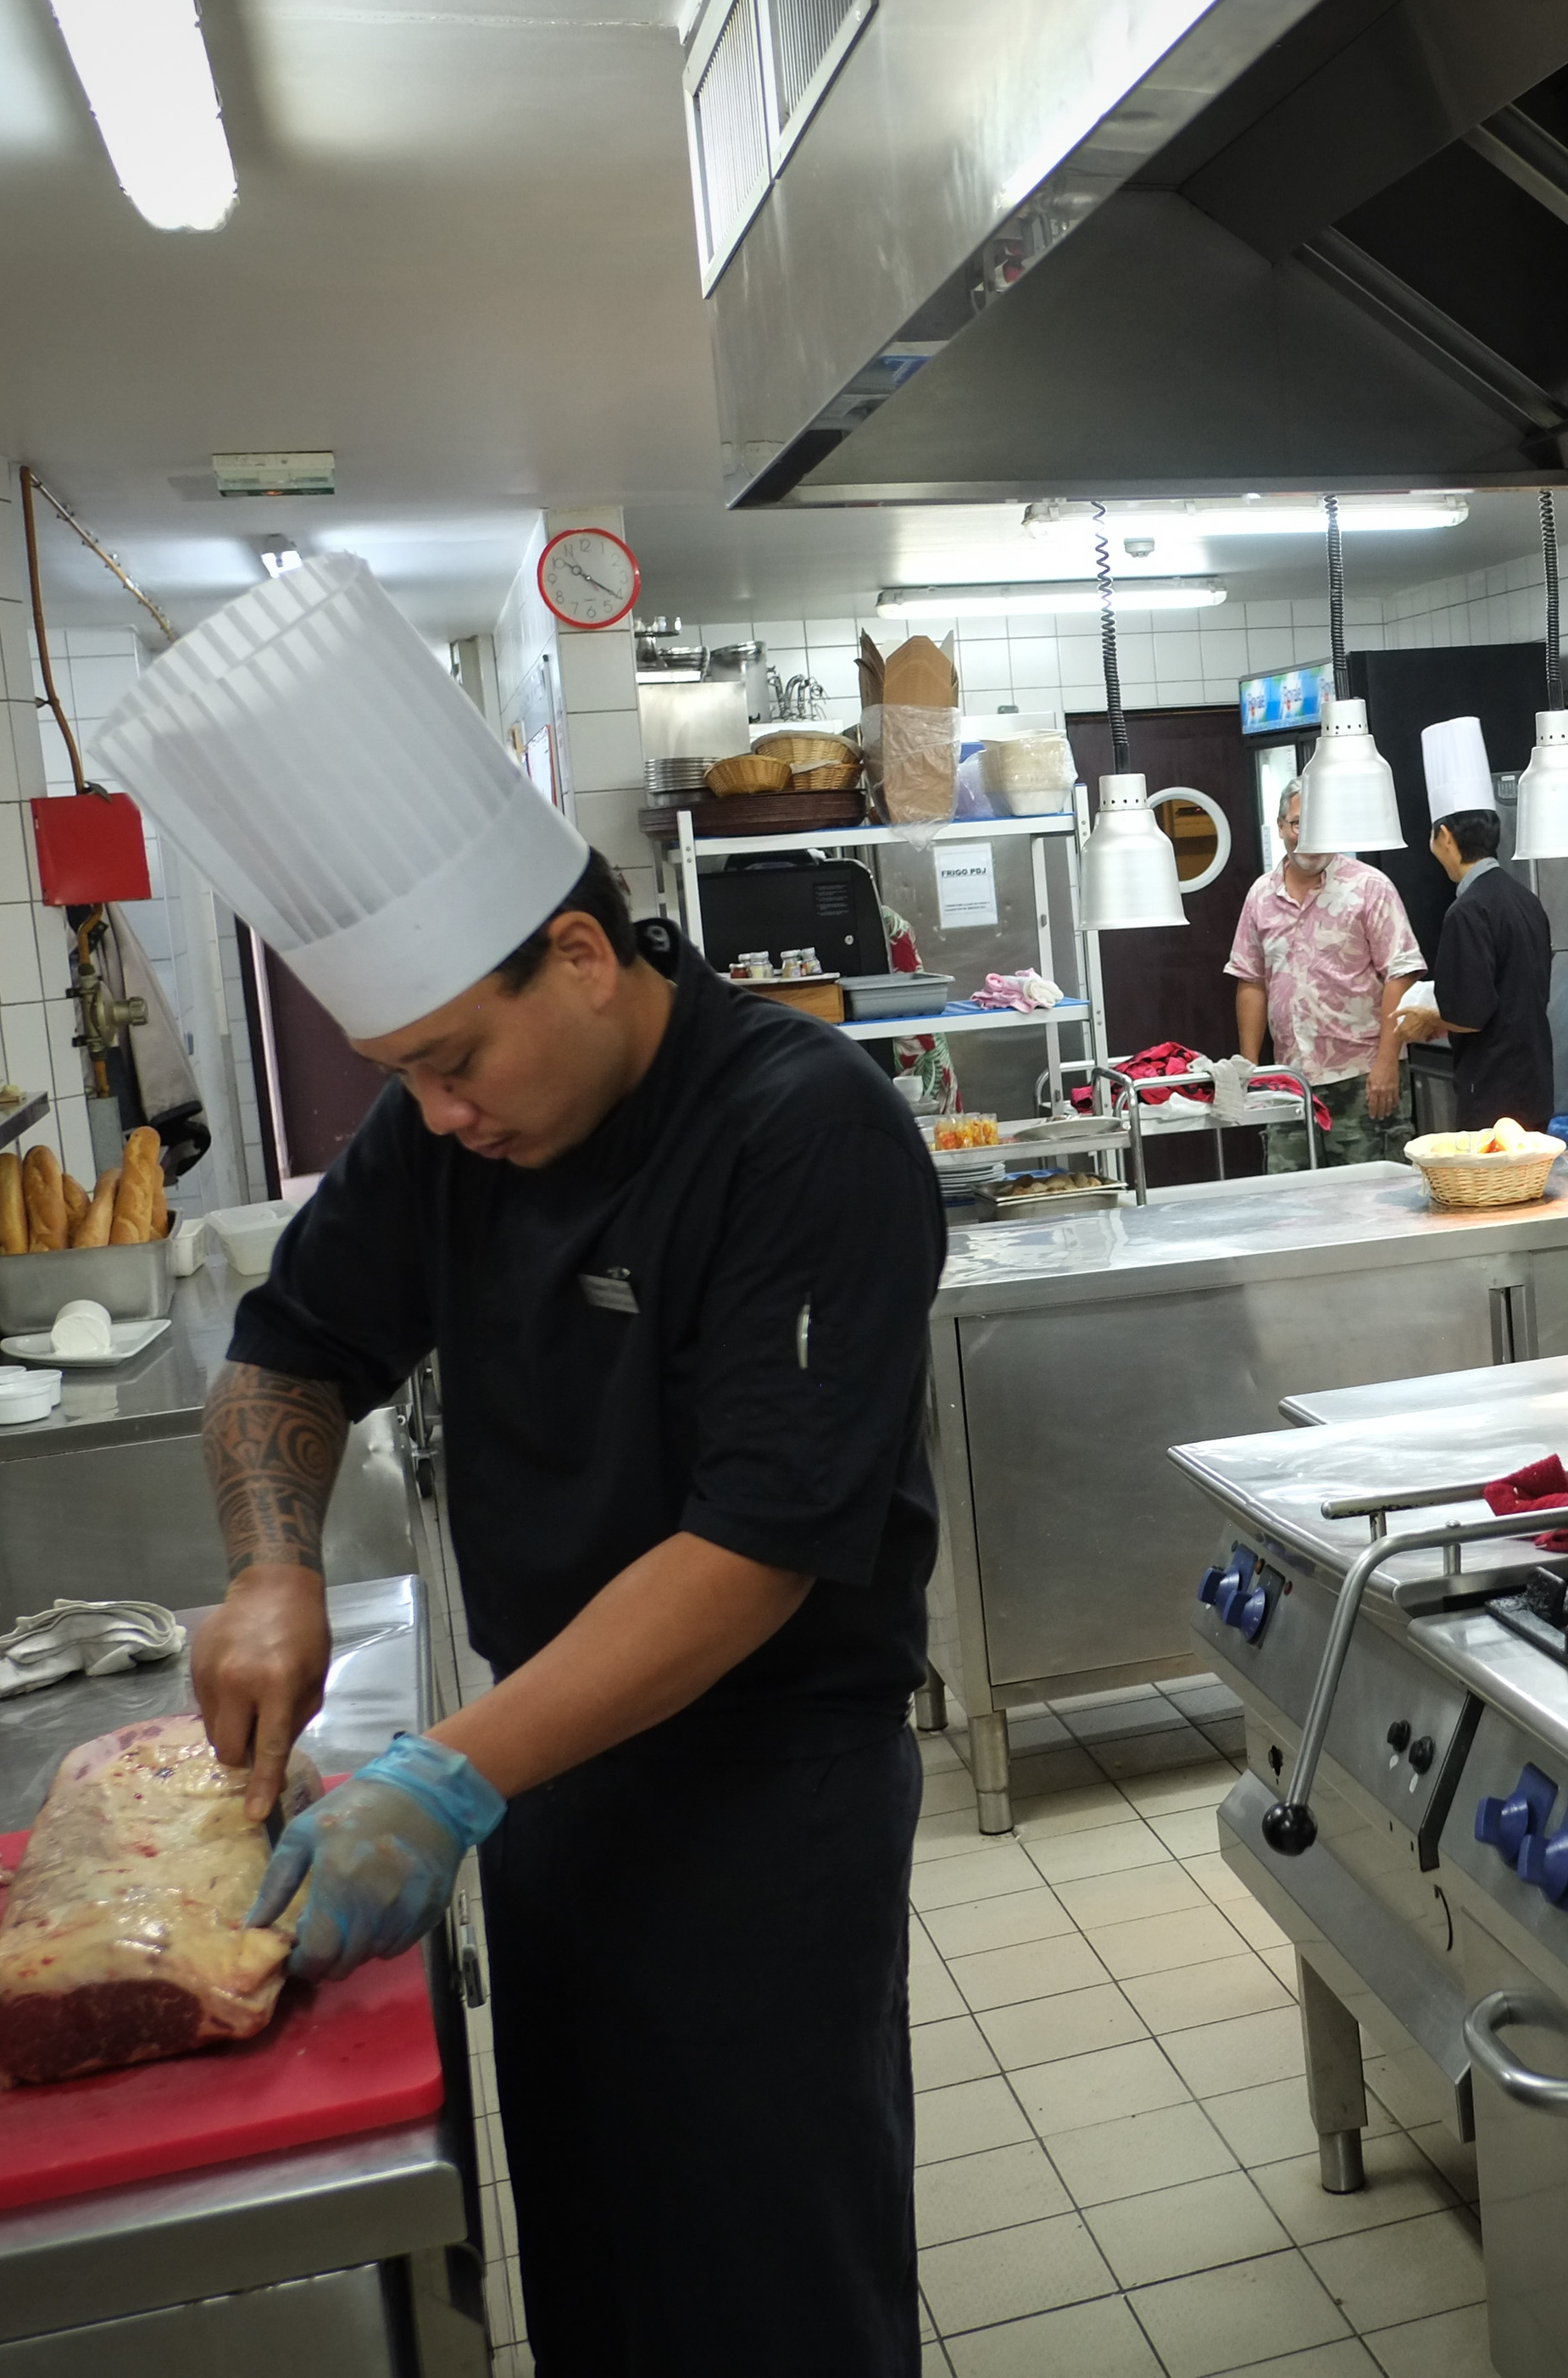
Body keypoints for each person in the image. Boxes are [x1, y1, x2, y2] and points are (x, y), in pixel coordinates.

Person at [102, 556, 938, 2377]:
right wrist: (270, 1567)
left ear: (578, 954)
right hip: (545, 1764)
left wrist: (445, 1780)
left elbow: (756, 1546)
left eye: (454, 1058)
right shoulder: (447, 1136)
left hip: (760, 1796)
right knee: (600, 2251)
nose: (437, 1110)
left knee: (770, 2268)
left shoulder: (805, 1136)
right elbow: (288, 1352)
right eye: (401, 1072)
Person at [1224, 782, 1423, 1170]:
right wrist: (1251, 1069)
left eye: (1321, 824)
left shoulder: (1370, 887)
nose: (1310, 836)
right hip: (1289, 1082)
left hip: (1363, 1075)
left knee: (1370, 1203)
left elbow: (1401, 975)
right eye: (1299, 824)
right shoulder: (1260, 896)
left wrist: (1387, 1062)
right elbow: (1251, 981)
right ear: (1280, 827)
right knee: (1290, 1207)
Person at [1399, 805, 1554, 1128]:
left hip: (1493, 1088)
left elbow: (1468, 1015)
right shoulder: (1525, 898)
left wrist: (1426, 1017)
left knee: (1493, 1180)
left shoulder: (1467, 911)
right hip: (1534, 1080)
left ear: (1444, 836)